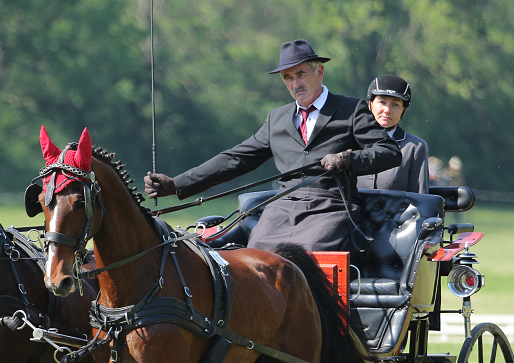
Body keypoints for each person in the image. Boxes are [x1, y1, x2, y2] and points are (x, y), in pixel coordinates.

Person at [145, 39, 401, 253]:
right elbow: (236, 158)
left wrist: (348, 159)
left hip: (331, 207)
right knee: (257, 254)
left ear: (319, 72)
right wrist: (177, 185)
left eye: (301, 74)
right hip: (283, 206)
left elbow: (389, 152)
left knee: (305, 254)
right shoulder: (276, 119)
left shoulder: (351, 109)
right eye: (287, 77)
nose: (295, 83)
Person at [356, 75, 430, 194]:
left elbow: (420, 199)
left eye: (395, 104)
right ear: (369, 104)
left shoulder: (414, 148)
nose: (387, 110)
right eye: (382, 102)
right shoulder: (349, 140)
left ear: (404, 110)